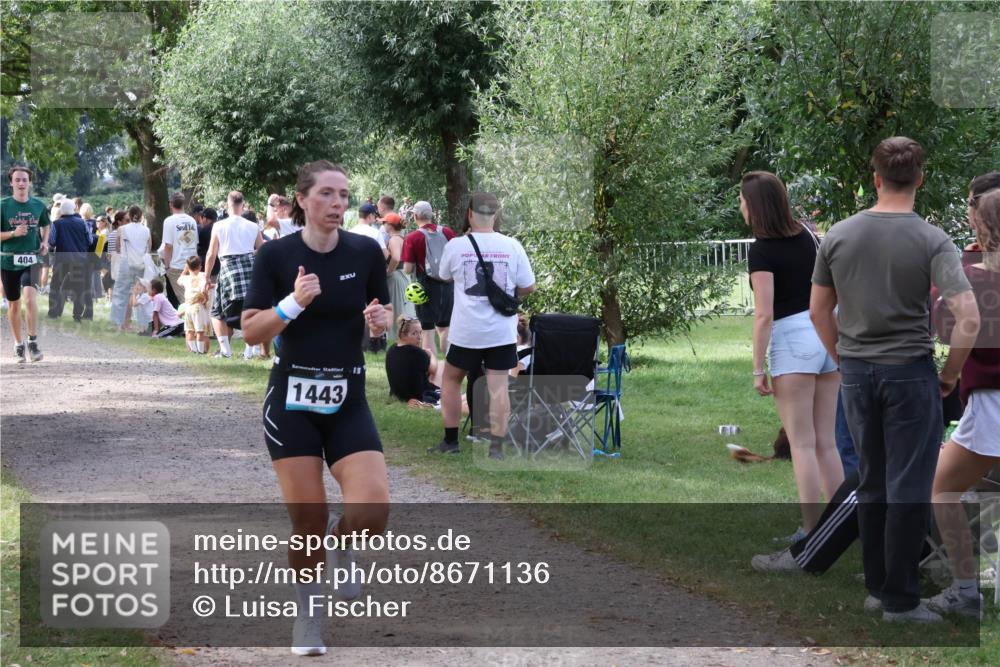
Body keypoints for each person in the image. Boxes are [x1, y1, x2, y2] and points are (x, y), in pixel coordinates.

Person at [810, 137, 980, 623]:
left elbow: (818, 310)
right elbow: (968, 318)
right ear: (920, 179)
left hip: (858, 375)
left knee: (873, 480)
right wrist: (950, 373)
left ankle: (880, 588)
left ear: (876, 178)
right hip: (910, 372)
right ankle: (901, 602)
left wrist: (840, 356)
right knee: (909, 483)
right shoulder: (933, 240)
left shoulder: (838, 235)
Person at [241, 160, 392, 656]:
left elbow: (381, 316)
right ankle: (308, 618)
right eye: (327, 194)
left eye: (344, 195)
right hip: (292, 404)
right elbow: (251, 330)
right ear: (302, 199)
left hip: (347, 398)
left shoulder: (366, 251)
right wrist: (292, 304)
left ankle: (343, 542)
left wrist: (379, 323)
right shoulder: (276, 255)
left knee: (372, 510)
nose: (338, 204)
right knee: (308, 520)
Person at [742, 171, 843, 533]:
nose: (740, 206)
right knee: (826, 443)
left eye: (742, 200)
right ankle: (841, 527)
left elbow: (764, 313)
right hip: (826, 334)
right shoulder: (807, 235)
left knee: (801, 444)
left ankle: (811, 530)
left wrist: (757, 368)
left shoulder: (761, 250)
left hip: (792, 342)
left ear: (753, 205)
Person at [927, 185, 1000, 619]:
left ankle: (965, 588)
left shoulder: (972, 277)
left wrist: (949, 375)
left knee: (942, 489)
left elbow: (944, 325)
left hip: (991, 404)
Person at [430, 192, 536, 459]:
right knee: (498, 387)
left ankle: (451, 440)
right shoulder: (512, 246)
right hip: (501, 330)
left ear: (469, 214)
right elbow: (528, 286)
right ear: (495, 215)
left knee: (451, 380)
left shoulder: (456, 245)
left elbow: (443, 275)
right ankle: (497, 448)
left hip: (467, 331)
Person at [204, 192, 263, 359]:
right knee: (251, 311)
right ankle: (249, 352)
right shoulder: (253, 226)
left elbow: (211, 254)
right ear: (242, 205)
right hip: (250, 269)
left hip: (228, 270)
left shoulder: (219, 225)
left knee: (217, 313)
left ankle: (225, 351)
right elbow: (262, 250)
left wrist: (206, 277)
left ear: (227, 206)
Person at [0, 165, 50, 362]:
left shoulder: (38, 205)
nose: (21, 183)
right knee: (14, 304)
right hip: (8, 259)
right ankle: (18, 344)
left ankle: (33, 341)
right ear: (11, 182)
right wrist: (13, 233)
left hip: (31, 259)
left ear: (30, 183)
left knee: (30, 298)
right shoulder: (3, 206)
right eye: (17, 180)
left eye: (24, 180)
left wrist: (45, 242)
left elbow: (46, 224)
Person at [401, 201, 455, 359]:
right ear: (431, 215)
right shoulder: (447, 233)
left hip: (426, 288)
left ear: (415, 216)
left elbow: (408, 269)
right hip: (447, 286)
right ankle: (450, 366)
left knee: (427, 331)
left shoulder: (412, 237)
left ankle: (432, 369)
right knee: (445, 328)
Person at [47, 197, 95, 321]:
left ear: (62, 211)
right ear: (74, 210)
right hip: (80, 259)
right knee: (79, 288)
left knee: (55, 285)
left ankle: (53, 312)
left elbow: (51, 242)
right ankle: (77, 316)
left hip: (62, 258)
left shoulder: (57, 224)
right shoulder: (83, 222)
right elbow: (90, 241)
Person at [110, 205, 151, 332]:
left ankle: (118, 323)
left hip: (126, 263)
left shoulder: (122, 229)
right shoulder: (146, 230)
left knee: (120, 293)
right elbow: (148, 249)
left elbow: (117, 247)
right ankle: (138, 324)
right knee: (138, 293)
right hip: (141, 264)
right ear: (141, 216)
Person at [386, 316, 441, 406]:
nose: (419, 337)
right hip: (417, 396)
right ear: (403, 335)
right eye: (414, 333)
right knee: (441, 366)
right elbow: (433, 369)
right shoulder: (416, 352)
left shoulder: (391, 349)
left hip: (399, 395)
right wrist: (431, 354)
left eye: (420, 332)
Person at [161, 192, 199, 305]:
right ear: (184, 204)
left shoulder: (169, 221)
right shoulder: (192, 220)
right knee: (192, 296)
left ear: (170, 204)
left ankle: (188, 322)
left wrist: (167, 266)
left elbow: (168, 246)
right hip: (192, 263)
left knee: (185, 300)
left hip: (177, 265)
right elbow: (194, 242)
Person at [383, 211, 415, 344]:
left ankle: (400, 337)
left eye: (384, 222)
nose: (383, 225)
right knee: (402, 307)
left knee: (398, 309)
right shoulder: (402, 238)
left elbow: (396, 257)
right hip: (402, 276)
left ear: (390, 225)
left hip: (396, 277)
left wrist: (388, 272)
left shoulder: (395, 239)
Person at [178, 255, 211, 353]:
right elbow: (205, 289)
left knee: (189, 330)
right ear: (200, 266)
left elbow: (178, 280)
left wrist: (185, 270)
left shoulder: (185, 278)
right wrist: (206, 298)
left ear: (188, 266)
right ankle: (200, 351)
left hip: (188, 307)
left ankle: (193, 350)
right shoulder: (203, 276)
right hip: (198, 306)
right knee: (200, 330)